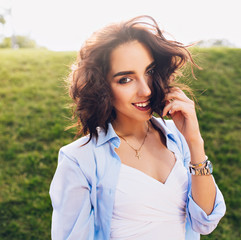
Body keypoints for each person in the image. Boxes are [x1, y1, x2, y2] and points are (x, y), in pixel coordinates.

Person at [49, 15, 226, 240]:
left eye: (149, 72)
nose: (146, 90)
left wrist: (194, 142)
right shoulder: (79, 159)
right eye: (125, 79)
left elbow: (206, 220)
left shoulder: (175, 138)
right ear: (101, 87)